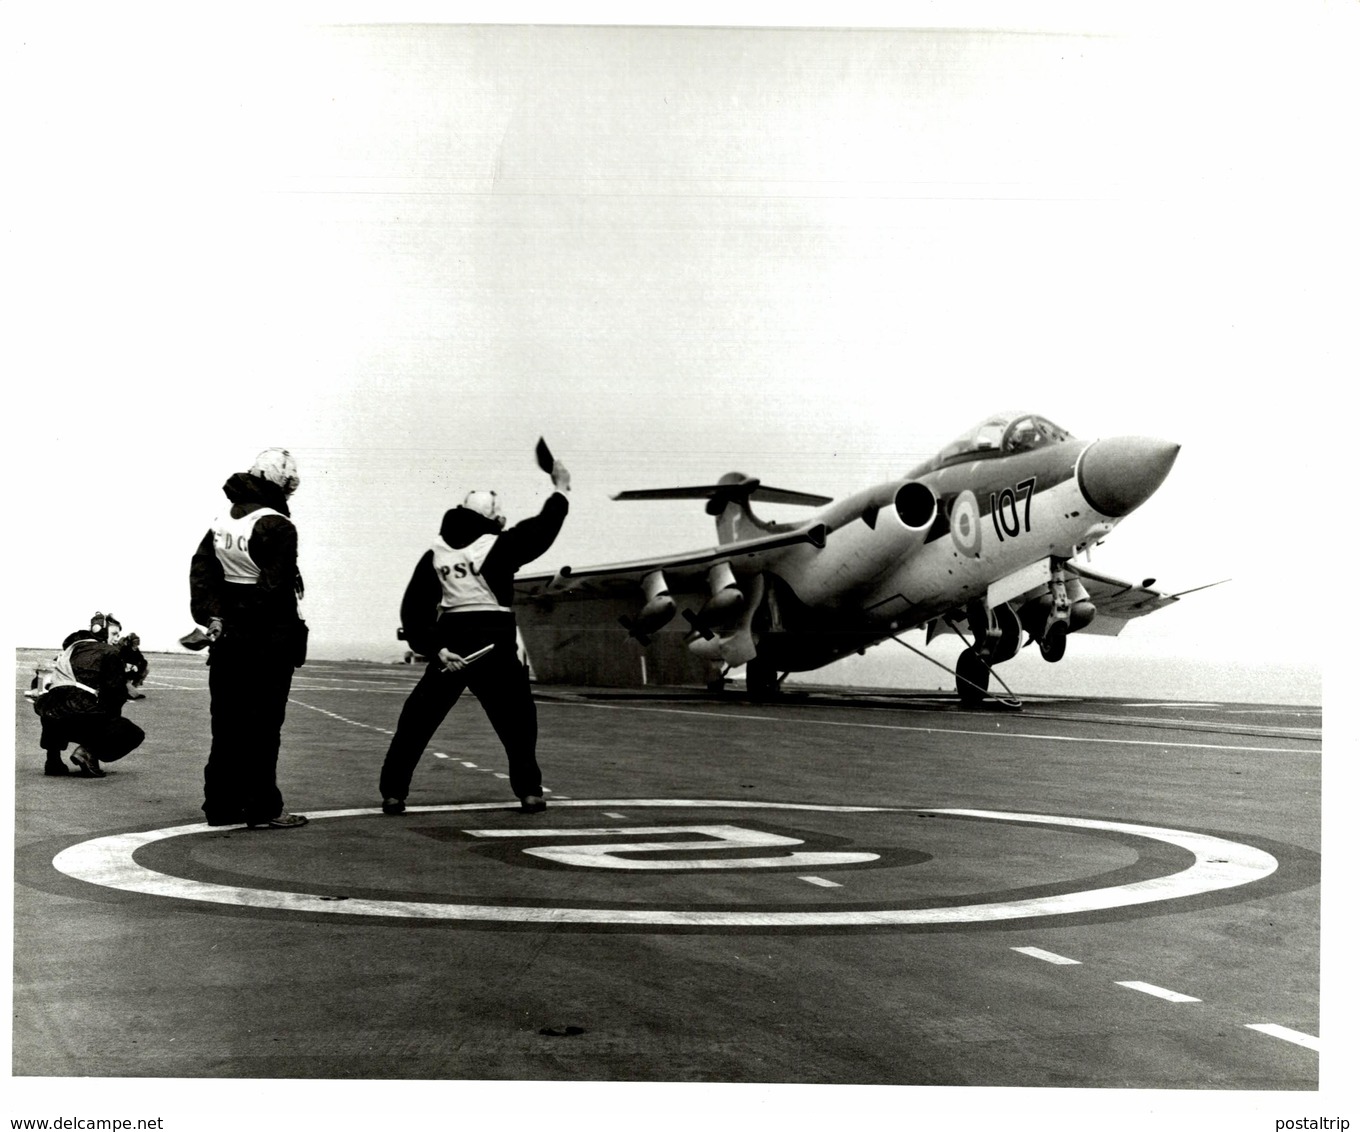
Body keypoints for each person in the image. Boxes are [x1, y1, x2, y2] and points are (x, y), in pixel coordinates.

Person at [378, 456, 571, 815]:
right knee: (517, 723)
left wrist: (435, 649)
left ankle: (393, 792)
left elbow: (414, 609)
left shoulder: (435, 554)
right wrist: (560, 489)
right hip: (494, 644)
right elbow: (543, 528)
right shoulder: (500, 545)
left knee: (416, 721)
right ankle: (529, 791)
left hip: (450, 644)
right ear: (494, 519)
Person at [189, 448, 309, 829]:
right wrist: (239, 617)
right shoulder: (279, 526)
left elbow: (202, 575)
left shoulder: (221, 521)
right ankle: (262, 806)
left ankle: (220, 807)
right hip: (268, 641)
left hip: (226, 641)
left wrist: (214, 618)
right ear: (283, 485)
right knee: (263, 726)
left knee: (225, 723)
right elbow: (273, 588)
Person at [30, 629, 146, 777]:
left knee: (53, 707)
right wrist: (110, 724)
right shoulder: (108, 651)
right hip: (82, 710)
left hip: (51, 711)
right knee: (132, 732)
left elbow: (40, 681)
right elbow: (115, 691)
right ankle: (88, 752)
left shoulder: (62, 656)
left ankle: (53, 760)